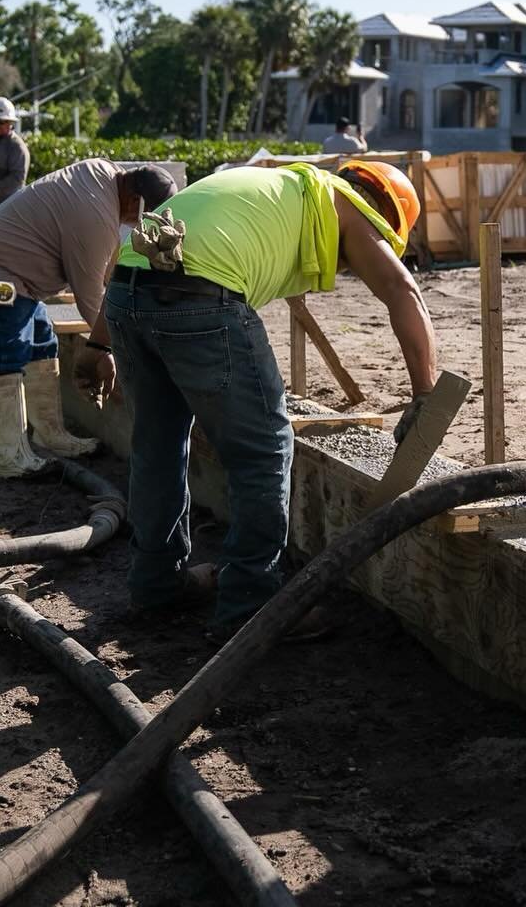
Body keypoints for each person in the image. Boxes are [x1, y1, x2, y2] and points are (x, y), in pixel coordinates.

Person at [89, 160, 435, 637]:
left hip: (127, 297)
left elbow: (138, 255)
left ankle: (155, 584)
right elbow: (402, 289)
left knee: (158, 445)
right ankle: (250, 606)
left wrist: (96, 343)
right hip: (201, 295)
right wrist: (424, 395)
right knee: (264, 451)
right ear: (382, 217)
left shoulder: (276, 185)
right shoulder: (345, 205)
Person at [0, 159, 177, 477]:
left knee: (43, 341)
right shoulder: (93, 214)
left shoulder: (104, 176)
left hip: (19, 276)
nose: (139, 222)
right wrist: (114, 347)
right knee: (8, 350)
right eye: (144, 214)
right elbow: (91, 299)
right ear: (134, 198)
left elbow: (110, 270)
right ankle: (12, 457)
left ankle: (49, 435)